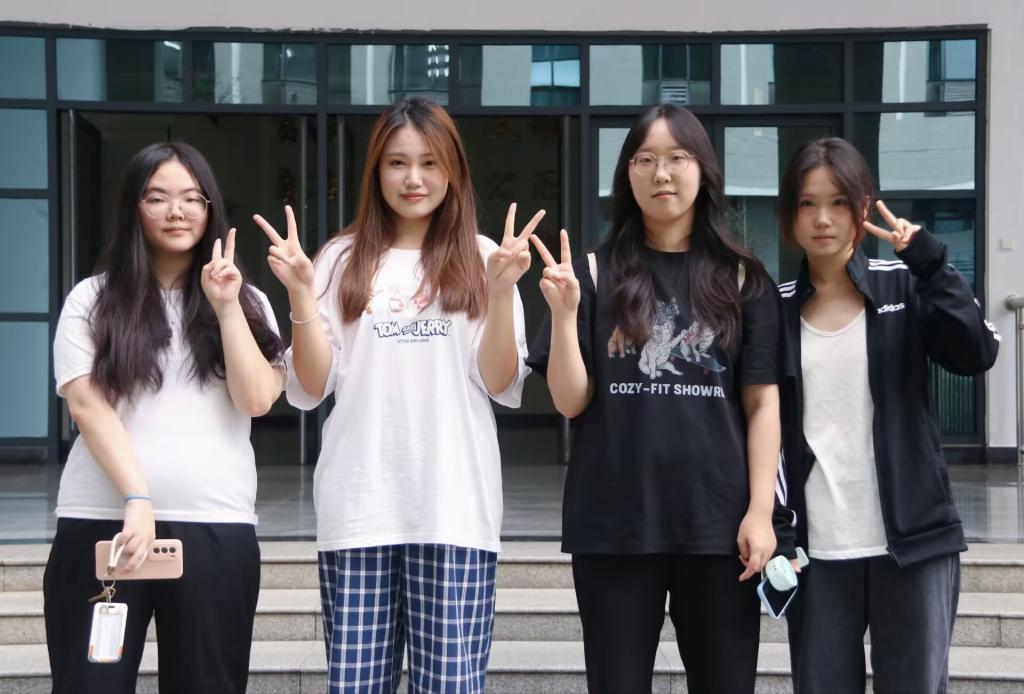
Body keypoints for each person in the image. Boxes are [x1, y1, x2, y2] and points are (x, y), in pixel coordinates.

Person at [254, 97, 534, 693]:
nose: (413, 178)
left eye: (430, 163)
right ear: (376, 170)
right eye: (398, 163)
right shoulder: (339, 259)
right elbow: (310, 387)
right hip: (360, 506)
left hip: (455, 507)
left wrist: (501, 292)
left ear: (453, 171)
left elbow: (500, 381)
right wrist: (301, 293)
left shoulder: (487, 257)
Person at [526, 103, 785, 694]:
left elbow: (762, 405)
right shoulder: (592, 274)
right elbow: (570, 402)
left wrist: (760, 511)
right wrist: (564, 317)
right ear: (627, 174)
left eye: (676, 158)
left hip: (718, 524)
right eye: (644, 159)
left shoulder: (743, 279)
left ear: (703, 171)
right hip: (614, 521)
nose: (661, 173)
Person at [45, 142, 285, 693]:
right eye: (158, 198)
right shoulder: (92, 300)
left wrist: (226, 306)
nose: (177, 211)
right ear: (134, 207)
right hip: (105, 524)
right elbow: (86, 405)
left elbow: (256, 399)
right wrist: (137, 497)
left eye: (192, 198)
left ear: (211, 208)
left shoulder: (248, 302)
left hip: (215, 526)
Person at [775, 137, 1000, 694]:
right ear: (790, 215)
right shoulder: (774, 308)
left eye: (838, 202)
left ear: (862, 205)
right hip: (817, 549)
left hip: (913, 542)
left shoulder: (905, 283)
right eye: (807, 203)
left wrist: (931, 263)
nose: (822, 219)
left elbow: (977, 352)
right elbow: (760, 426)